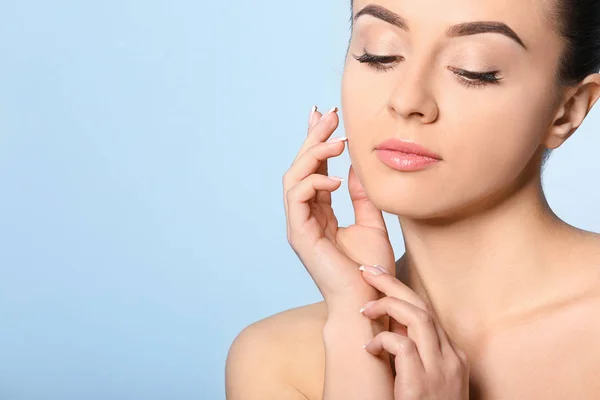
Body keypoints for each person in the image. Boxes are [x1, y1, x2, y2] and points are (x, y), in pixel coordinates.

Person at [226, 0, 600, 398]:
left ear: (568, 110)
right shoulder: (277, 360)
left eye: (474, 71)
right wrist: (358, 327)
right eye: (380, 54)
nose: (407, 101)